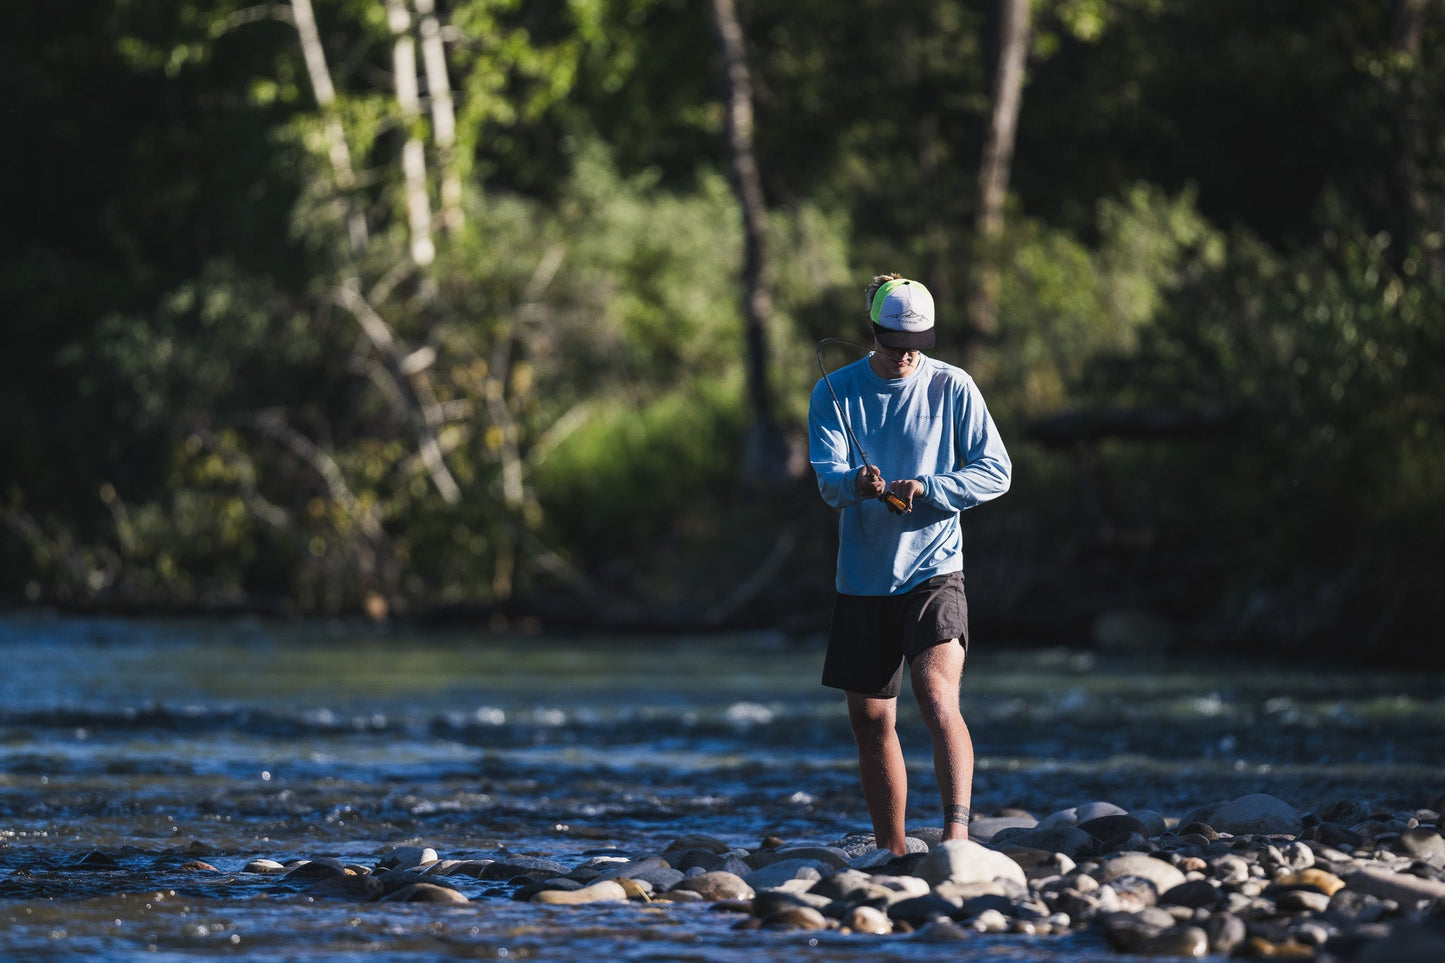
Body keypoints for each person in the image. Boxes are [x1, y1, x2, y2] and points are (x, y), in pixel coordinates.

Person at [808, 273, 1011, 855]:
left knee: (935, 695)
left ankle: (955, 840)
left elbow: (996, 471)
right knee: (871, 722)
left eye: (918, 341)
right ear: (873, 333)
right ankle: (891, 854)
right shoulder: (834, 391)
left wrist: (929, 489)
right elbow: (828, 482)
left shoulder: (954, 386)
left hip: (935, 568)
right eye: (896, 343)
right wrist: (859, 483)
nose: (908, 354)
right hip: (863, 579)